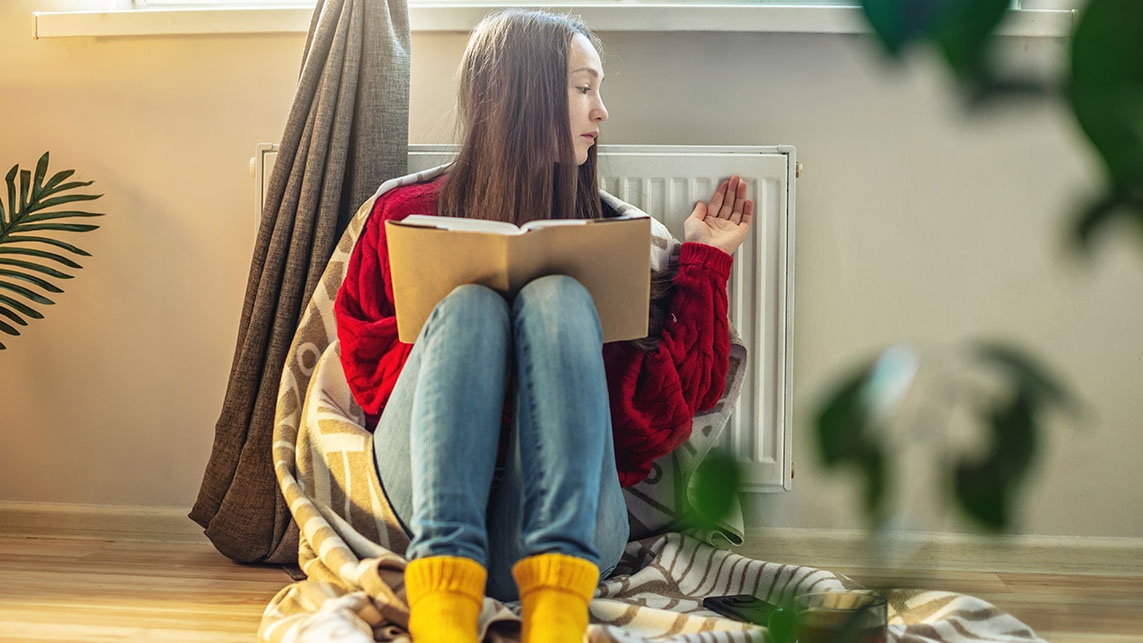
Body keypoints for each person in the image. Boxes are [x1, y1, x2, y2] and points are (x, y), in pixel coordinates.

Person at [334, 8, 753, 643]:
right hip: (434, 498)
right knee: (472, 308)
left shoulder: (613, 235)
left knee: (558, 297)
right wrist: (482, 350)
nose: (601, 110)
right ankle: (443, 609)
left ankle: (556, 615)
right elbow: (368, 379)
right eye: (584, 89)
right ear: (517, 96)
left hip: (572, 521)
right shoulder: (406, 215)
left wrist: (706, 261)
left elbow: (670, 414)